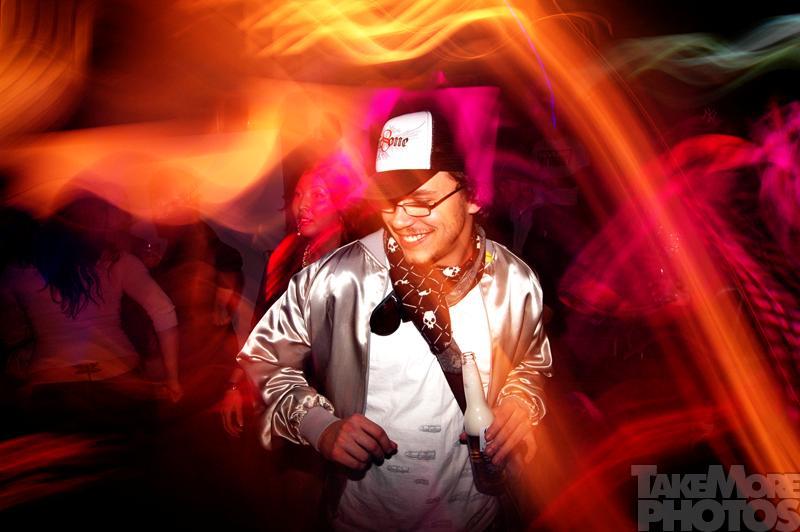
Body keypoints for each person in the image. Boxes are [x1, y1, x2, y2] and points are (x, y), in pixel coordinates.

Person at [238, 110, 552, 530]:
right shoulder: (339, 278)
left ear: (473, 196)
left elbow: (531, 365)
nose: (401, 221)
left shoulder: (514, 281)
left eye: (421, 202)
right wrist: (319, 425)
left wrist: (520, 403)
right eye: (388, 202)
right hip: (363, 517)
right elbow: (262, 358)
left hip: (474, 516)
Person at [0, 193, 182, 434]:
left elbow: (13, 337)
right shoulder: (117, 262)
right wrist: (172, 380)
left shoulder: (17, 273)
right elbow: (164, 311)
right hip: (121, 383)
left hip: (54, 389)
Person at [221, 154, 364, 436]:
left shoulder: (360, 264)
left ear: (341, 205)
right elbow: (261, 327)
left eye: (318, 195)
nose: (303, 205)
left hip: (343, 410)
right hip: (286, 401)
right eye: (298, 194)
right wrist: (236, 385)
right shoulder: (284, 256)